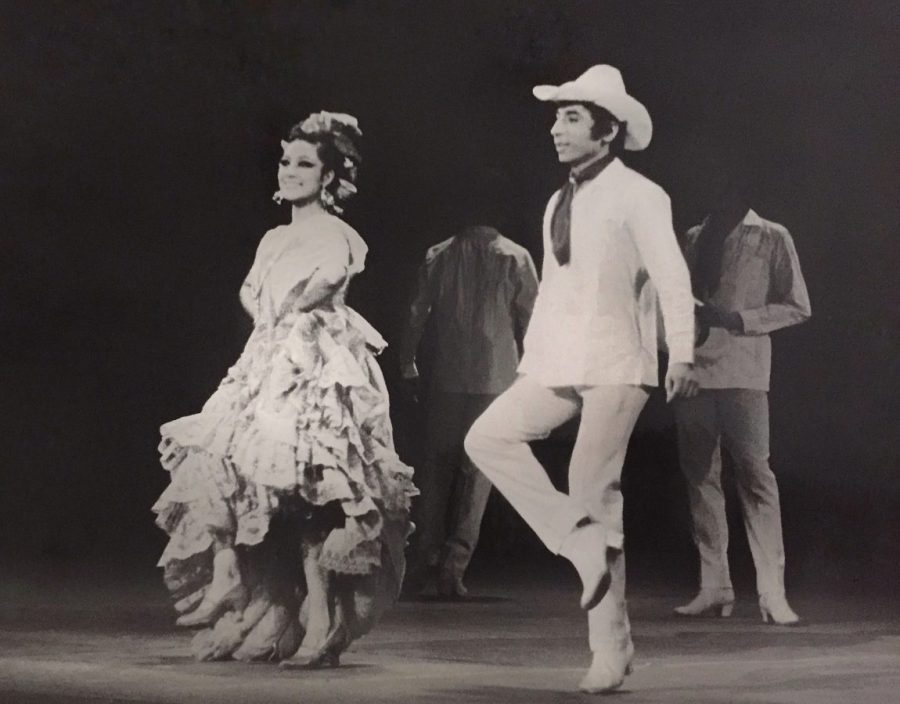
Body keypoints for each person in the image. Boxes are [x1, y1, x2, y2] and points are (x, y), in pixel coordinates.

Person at [464, 65, 698, 693]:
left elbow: (672, 276)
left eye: (571, 117)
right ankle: (574, 538)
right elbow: (554, 290)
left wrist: (681, 353)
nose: (556, 128)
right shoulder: (558, 200)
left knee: (592, 487)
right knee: (486, 438)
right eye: (556, 117)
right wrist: (532, 361)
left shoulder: (640, 194)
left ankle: (610, 650)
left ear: (608, 130)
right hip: (561, 359)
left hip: (618, 361)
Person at [152, 111, 416, 667]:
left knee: (308, 488)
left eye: (304, 164)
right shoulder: (274, 236)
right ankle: (247, 586)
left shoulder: (336, 232)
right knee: (226, 462)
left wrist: (293, 310)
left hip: (315, 362)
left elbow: (331, 276)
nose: (290, 171)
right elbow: (251, 288)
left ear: (328, 176)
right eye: (285, 161)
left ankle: (319, 617)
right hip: (266, 358)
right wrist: (265, 317)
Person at [673, 175, 810, 625]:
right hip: (695, 370)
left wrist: (739, 319)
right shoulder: (695, 236)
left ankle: (772, 593)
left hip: (745, 371)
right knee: (700, 478)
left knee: (755, 476)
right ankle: (714, 586)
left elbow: (797, 305)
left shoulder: (771, 235)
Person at [398, 211, 539, 597]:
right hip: (497, 377)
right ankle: (453, 567)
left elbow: (416, 312)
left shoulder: (440, 254)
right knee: (477, 474)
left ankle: (425, 561)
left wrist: (407, 362)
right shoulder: (515, 256)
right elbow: (533, 319)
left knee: (436, 469)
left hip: (449, 374)